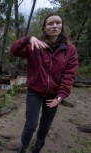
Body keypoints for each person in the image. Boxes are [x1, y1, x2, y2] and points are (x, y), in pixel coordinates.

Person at [10, 12, 78, 153]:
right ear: (44, 27)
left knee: (45, 125)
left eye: (58, 23)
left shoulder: (70, 50)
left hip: (54, 95)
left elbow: (69, 74)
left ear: (62, 26)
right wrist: (27, 39)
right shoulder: (35, 45)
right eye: (50, 23)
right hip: (34, 91)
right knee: (31, 125)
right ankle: (22, 148)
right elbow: (14, 51)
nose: (54, 26)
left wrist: (61, 95)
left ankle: (37, 148)